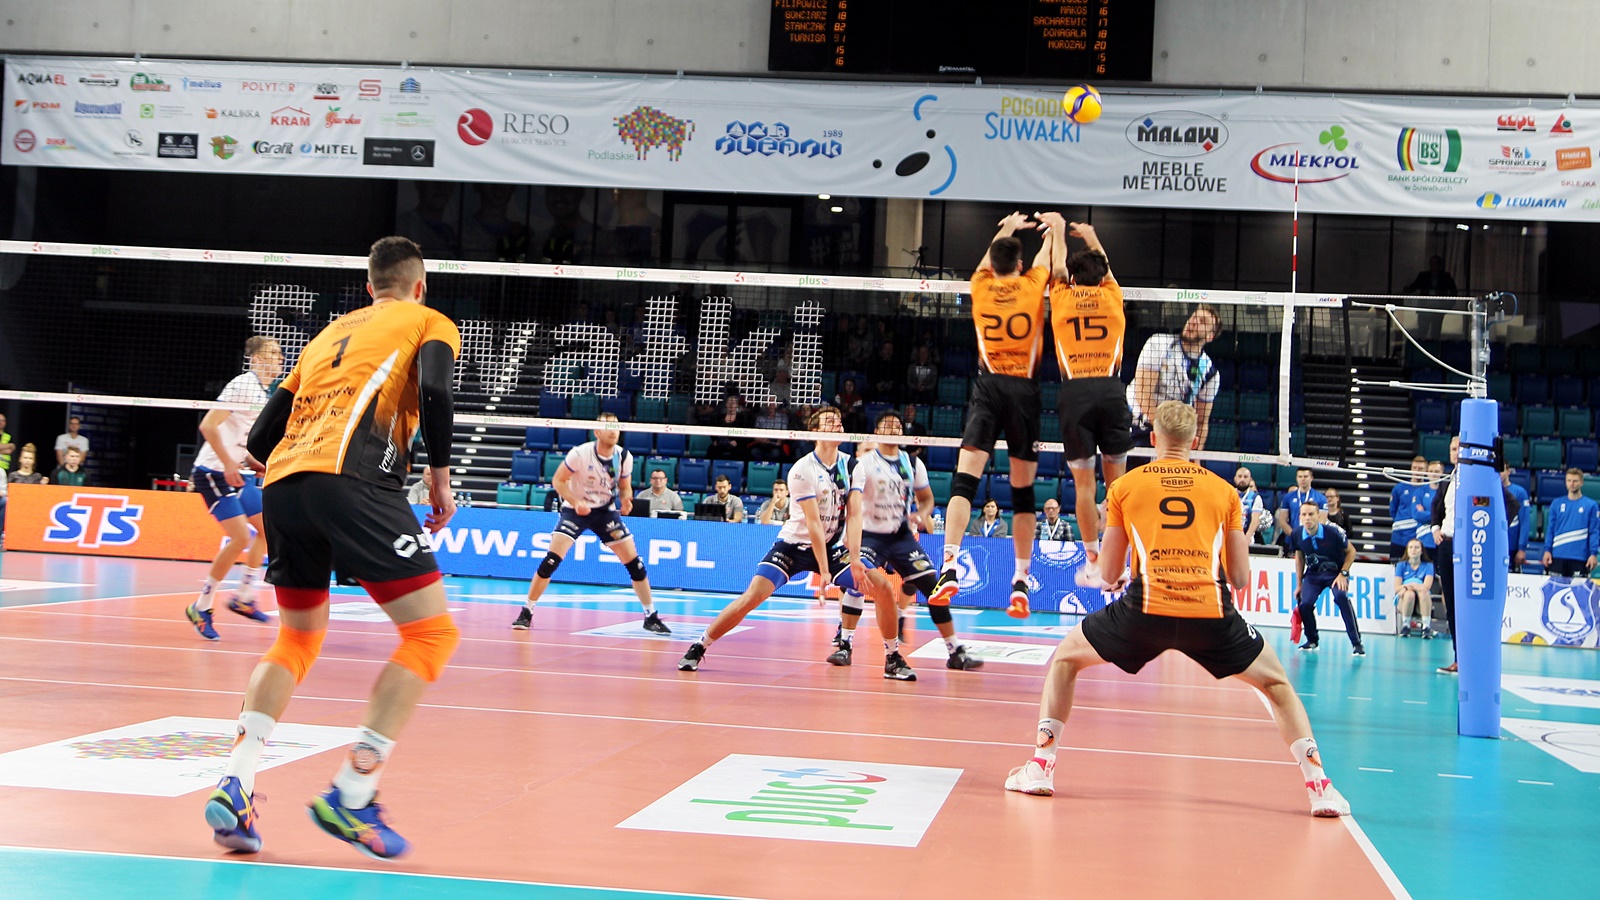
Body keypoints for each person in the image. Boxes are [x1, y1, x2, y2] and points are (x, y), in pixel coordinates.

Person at [208, 236, 461, 859]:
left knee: (296, 639)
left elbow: (260, 437)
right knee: (430, 635)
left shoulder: (325, 336)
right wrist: (439, 477)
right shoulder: (429, 320)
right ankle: (352, 792)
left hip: (284, 485)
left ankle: (236, 782)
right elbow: (435, 391)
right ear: (419, 285)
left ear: (369, 288)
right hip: (355, 476)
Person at [1003, 401, 1349, 818]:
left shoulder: (1125, 487)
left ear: (1153, 439)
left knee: (1065, 660)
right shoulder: (1225, 492)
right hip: (1210, 614)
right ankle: (1320, 787)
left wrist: (1123, 569)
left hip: (1144, 612)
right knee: (1277, 685)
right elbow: (1240, 578)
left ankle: (1041, 767)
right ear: (1196, 441)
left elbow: (1109, 573)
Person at [678, 407, 864, 672]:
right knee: (753, 596)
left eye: (839, 420)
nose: (837, 424)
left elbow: (855, 513)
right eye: (830, 421)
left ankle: (850, 644)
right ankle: (700, 645)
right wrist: (824, 571)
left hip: (832, 545)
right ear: (815, 431)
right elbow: (813, 523)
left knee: (866, 580)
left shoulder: (852, 466)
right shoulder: (802, 469)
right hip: (794, 545)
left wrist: (855, 556)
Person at [933, 211, 1048, 618]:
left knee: (964, 482)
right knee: (1023, 493)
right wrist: (1052, 229)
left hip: (988, 387)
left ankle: (949, 565)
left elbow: (986, 262)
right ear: (1020, 265)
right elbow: (1048, 258)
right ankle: (1020, 581)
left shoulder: (979, 286)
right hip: (1023, 391)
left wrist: (1007, 227)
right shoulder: (1033, 284)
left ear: (993, 264)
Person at [833, 410, 982, 676]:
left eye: (897, 426)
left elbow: (927, 498)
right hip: (869, 535)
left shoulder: (913, 464)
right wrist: (847, 533)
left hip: (901, 536)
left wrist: (922, 513)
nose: (893, 429)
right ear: (876, 433)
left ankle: (955, 650)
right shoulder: (863, 464)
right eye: (887, 425)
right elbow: (851, 504)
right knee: (860, 581)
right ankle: (845, 644)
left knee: (935, 589)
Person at [512, 411, 668, 634]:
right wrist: (576, 502)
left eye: (616, 426)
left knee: (636, 565)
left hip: (605, 512)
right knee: (551, 560)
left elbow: (625, 486)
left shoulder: (624, 457)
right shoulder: (580, 453)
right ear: (597, 432)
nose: (613, 431)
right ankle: (527, 611)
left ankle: (650, 616)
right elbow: (558, 480)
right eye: (608, 427)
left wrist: (626, 500)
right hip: (575, 511)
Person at [1045, 215, 1133, 587]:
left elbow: (1056, 267)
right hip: (1111, 391)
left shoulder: (1061, 298)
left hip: (1075, 393)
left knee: (1084, 486)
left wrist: (1057, 230)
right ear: (1101, 278)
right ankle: (1120, 564)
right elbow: (1105, 267)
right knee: (1118, 488)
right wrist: (1092, 235)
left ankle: (1094, 561)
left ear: (1073, 278)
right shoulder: (1113, 296)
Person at [183, 336, 285, 641]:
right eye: (272, 353)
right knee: (240, 537)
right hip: (212, 473)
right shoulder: (242, 384)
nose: (279, 358)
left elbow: (238, 438)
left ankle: (244, 597)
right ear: (257, 360)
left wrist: (253, 463)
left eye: (280, 353)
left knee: (267, 529)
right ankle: (201, 607)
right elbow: (208, 426)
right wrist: (229, 463)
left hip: (235, 472)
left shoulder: (263, 393)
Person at [1431, 436, 1519, 674]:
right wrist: (1435, 528)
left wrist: (1493, 532)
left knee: (1470, 605)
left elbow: (1511, 505)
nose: (1455, 453)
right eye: (1452, 449)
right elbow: (1437, 507)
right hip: (1447, 545)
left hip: (1470, 549)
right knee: (1451, 605)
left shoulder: (1481, 477)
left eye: (1459, 448)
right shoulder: (1447, 479)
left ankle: (1476, 659)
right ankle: (1459, 658)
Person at [1127, 306, 1221, 448]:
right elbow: (1143, 395)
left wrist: (1196, 455)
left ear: (1210, 336)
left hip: (1175, 436)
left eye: (1202, 321)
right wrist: (1165, 432)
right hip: (1138, 426)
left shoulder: (1210, 372)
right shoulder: (1159, 344)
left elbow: (1202, 422)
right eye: (1194, 317)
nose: (1194, 321)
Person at [1289, 501, 1363, 656]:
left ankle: (1357, 643)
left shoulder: (1333, 532)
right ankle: (1312, 640)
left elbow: (1351, 552)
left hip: (1336, 573)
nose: (1307, 518)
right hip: (1313, 574)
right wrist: (1299, 584)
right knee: (1305, 604)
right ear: (1300, 517)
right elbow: (1299, 557)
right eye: (1304, 514)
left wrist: (1343, 574)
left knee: (1341, 597)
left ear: (1318, 515)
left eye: (1311, 514)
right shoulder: (1296, 534)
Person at [1540, 467, 1598, 578]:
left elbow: (1594, 532)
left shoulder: (1591, 505)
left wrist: (1593, 554)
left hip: (1580, 557)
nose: (1572, 484)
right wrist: (1547, 550)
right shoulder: (1556, 504)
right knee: (1557, 588)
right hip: (1558, 555)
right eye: (1569, 480)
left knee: (1577, 589)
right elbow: (1550, 529)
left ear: (1582, 482)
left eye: (1575, 481)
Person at [1388, 456, 1429, 560]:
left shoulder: (1429, 489)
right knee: (1397, 566)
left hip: (1420, 537)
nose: (1417, 471)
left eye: (1420, 469)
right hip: (1399, 537)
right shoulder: (1399, 488)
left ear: (1426, 470)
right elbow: (1393, 510)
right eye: (1414, 468)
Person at [1275, 468, 1326, 550]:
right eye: (1300, 476)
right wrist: (1294, 536)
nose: (1303, 479)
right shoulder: (1288, 497)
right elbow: (1282, 520)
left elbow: (1322, 521)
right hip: (1292, 540)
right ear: (1296, 478)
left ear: (1311, 478)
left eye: (1305, 476)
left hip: (1312, 541)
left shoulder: (1321, 498)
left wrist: (1309, 536)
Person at [1393, 539, 1435, 639]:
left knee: (1424, 592)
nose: (1413, 550)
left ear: (1421, 551)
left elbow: (1426, 586)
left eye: (1416, 547)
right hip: (1404, 601)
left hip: (1422, 602)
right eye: (1410, 547)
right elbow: (1397, 588)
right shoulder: (1401, 565)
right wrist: (1412, 585)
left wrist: (1408, 586)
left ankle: (1426, 627)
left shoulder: (1428, 566)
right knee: (1409, 594)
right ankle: (1406, 626)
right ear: (1407, 550)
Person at [1502, 463, 1530, 574]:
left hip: (1512, 547)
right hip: (1494, 545)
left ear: (1508, 471)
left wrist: (1521, 548)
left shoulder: (1519, 492)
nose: (1499, 473)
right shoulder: (1489, 491)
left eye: (1501, 470)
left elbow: (1525, 521)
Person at [1234, 467, 1270, 544]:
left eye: (1245, 477)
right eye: (1240, 476)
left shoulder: (1255, 498)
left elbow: (1255, 520)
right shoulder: (1229, 495)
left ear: (1250, 479)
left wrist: (1247, 537)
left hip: (1248, 539)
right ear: (1235, 478)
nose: (1242, 479)